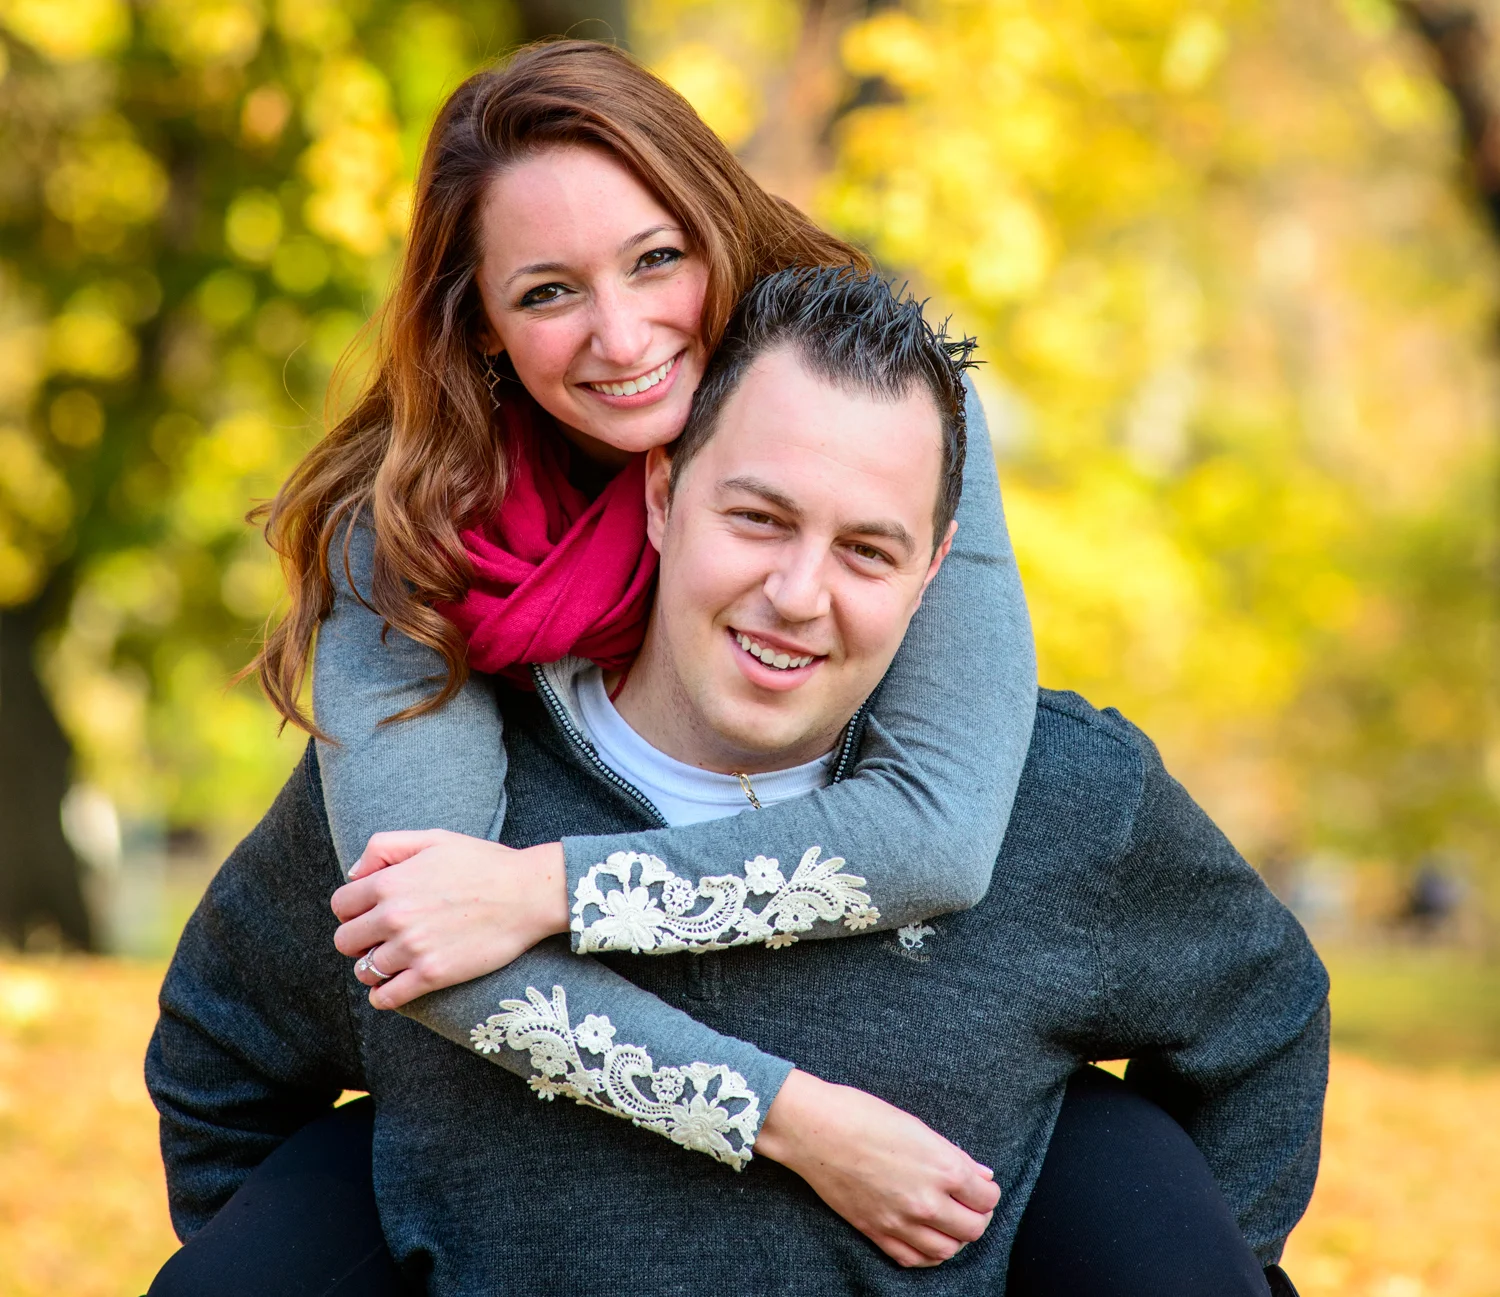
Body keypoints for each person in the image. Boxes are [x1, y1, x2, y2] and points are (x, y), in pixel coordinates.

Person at [148, 269, 1328, 1296]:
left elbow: (1265, 1020)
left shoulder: (1069, 801)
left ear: (934, 568)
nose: (798, 594)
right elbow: (222, 1051)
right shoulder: (433, 803)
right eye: (758, 518)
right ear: (662, 495)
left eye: (867, 549)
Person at [246, 35, 1039, 1191]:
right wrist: (793, 1124)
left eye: (656, 259)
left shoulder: (896, 411)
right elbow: (421, 927)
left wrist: (542, 887)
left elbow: (937, 833)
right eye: (550, 292)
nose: (622, 339)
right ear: (484, 327)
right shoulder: (412, 527)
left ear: (716, 229)